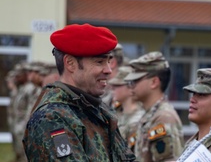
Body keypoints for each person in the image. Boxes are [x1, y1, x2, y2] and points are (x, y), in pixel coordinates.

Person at [23, 23, 136, 162]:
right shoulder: (52, 118)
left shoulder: (98, 110)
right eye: (99, 62)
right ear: (70, 63)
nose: (108, 70)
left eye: (108, 61)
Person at [124, 51, 184, 162]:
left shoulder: (164, 117)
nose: (131, 86)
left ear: (154, 82)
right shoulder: (150, 114)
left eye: (135, 80)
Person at [108, 65, 145, 149]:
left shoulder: (138, 119)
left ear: (130, 87)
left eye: (117, 85)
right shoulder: (115, 112)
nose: (113, 89)